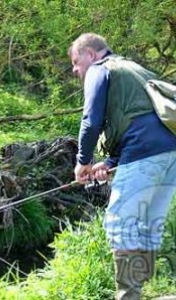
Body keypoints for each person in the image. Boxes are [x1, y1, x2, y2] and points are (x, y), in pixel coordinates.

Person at [68, 33, 176, 300]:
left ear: (91, 54)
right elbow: (142, 117)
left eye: (75, 61)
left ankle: (129, 295)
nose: (74, 69)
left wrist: (83, 162)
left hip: (143, 152)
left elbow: (91, 121)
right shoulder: (134, 68)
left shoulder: (98, 70)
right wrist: (112, 162)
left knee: (121, 222)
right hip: (170, 153)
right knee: (148, 222)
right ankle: (142, 287)